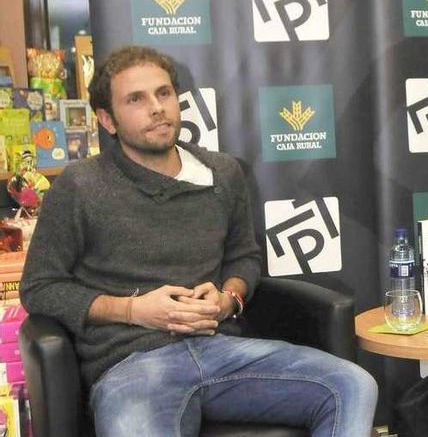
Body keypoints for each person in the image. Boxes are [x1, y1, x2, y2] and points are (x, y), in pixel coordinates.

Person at [20, 45, 378, 437]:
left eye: (164, 93)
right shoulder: (81, 185)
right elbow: (40, 288)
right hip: (133, 365)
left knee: (352, 384)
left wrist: (229, 299)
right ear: (107, 119)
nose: (156, 108)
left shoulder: (222, 173)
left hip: (223, 350)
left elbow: (244, 257)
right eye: (136, 99)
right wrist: (133, 310)